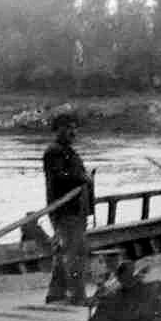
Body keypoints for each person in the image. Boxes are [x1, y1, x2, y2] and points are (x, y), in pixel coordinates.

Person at [43, 113, 93, 305]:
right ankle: (78, 296)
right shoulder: (54, 152)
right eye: (68, 128)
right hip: (65, 210)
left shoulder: (69, 152)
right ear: (58, 130)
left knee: (65, 250)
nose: (73, 132)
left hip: (76, 209)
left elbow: (72, 175)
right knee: (76, 253)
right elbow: (60, 177)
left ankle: (56, 293)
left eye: (74, 128)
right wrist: (82, 178)